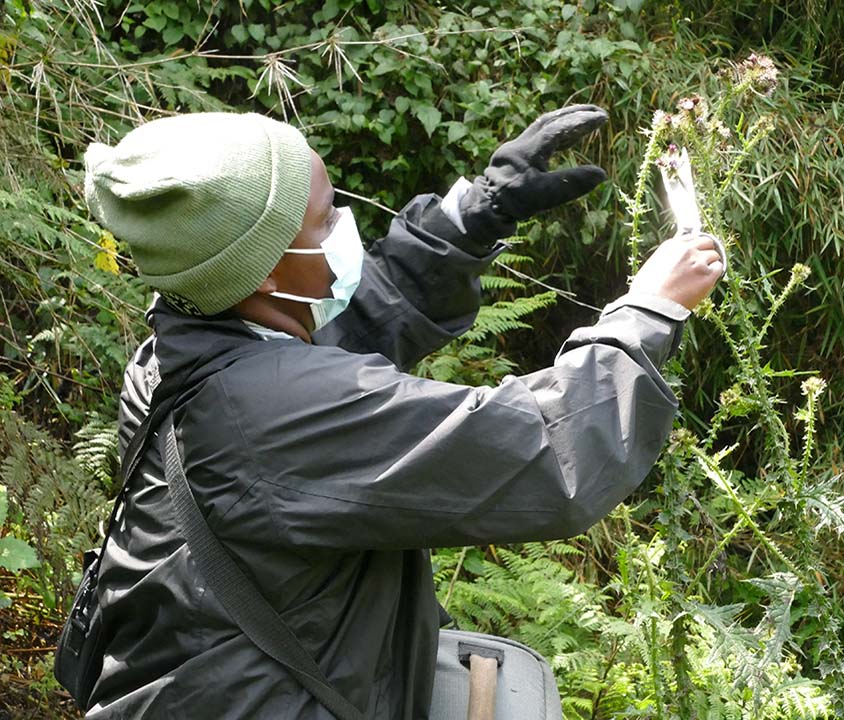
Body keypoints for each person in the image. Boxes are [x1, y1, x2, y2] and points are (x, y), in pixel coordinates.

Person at [80, 107, 725, 718]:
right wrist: (646, 314)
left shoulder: (188, 345)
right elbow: (539, 450)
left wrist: (478, 210)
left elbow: (353, 322)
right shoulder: (273, 416)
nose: (345, 226)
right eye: (327, 217)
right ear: (266, 271)